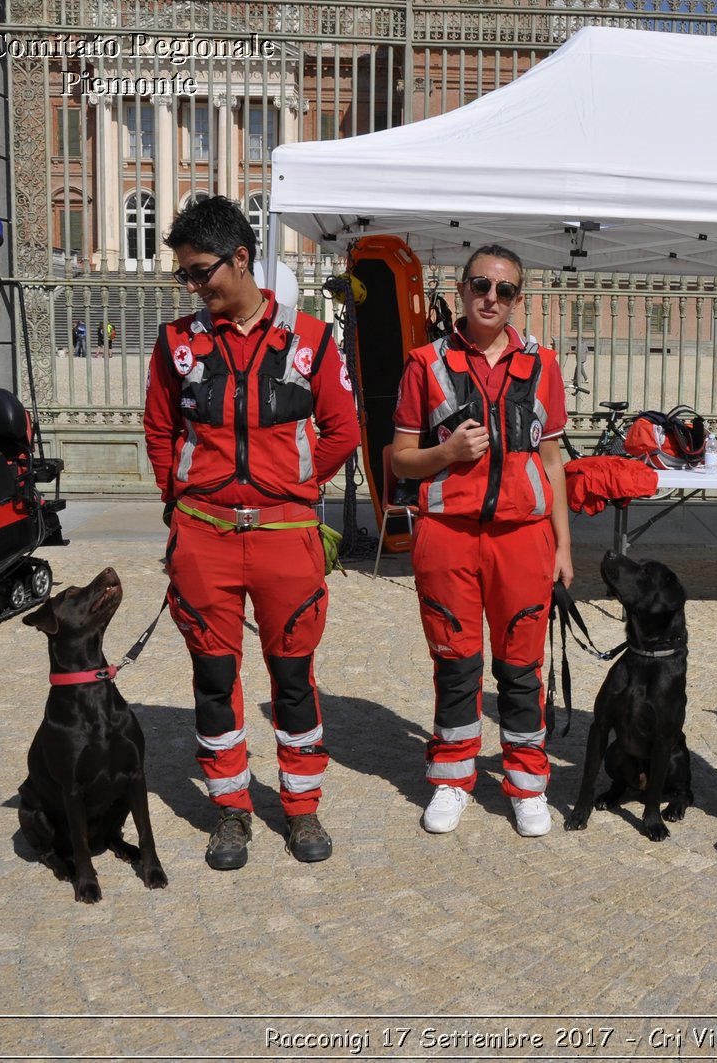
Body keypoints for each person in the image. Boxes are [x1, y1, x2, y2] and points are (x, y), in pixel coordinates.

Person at [142, 195, 360, 870]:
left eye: (201, 271)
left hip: (284, 537)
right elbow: (158, 430)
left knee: (292, 678)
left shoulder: (312, 340)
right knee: (214, 677)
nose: (193, 287)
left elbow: (343, 431)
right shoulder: (177, 344)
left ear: (242, 259)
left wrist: (291, 486)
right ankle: (231, 808)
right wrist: (179, 503)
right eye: (184, 275)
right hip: (203, 536)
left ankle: (300, 807)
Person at [390, 244, 573, 838]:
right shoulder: (425, 362)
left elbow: (553, 462)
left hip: (522, 538)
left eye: (505, 290)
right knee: (456, 662)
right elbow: (398, 459)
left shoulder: (543, 363)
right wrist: (446, 453)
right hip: (449, 535)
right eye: (480, 286)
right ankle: (452, 776)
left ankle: (526, 783)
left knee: (522, 668)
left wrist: (563, 547)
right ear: (463, 289)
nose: (491, 298)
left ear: (519, 298)